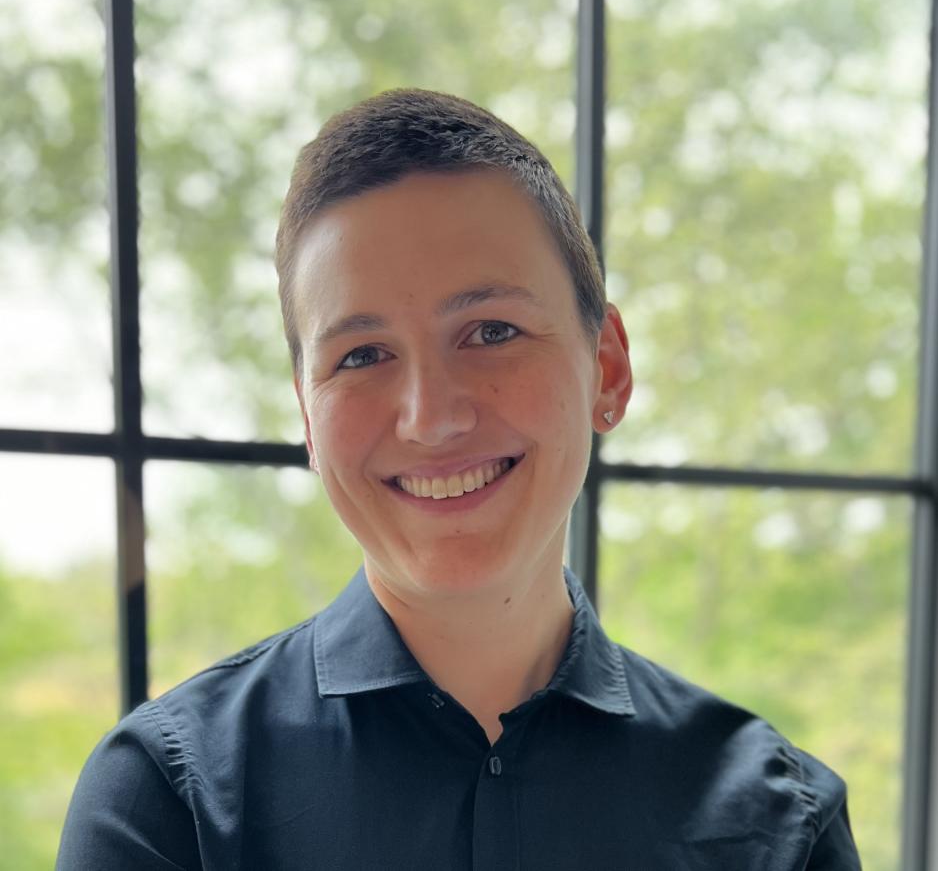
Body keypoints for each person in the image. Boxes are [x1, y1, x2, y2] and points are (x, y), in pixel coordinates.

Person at [57, 88, 861, 869]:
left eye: (491, 331)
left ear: (607, 368)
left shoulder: (780, 825)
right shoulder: (167, 803)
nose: (430, 418)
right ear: (308, 418)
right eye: (362, 355)